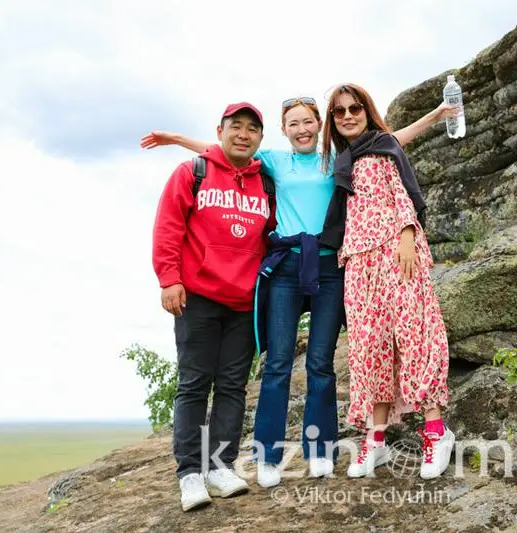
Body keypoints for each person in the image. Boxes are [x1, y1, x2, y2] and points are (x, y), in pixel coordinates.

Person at [142, 98, 456, 487]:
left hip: (329, 267)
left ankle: (320, 451)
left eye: (308, 122)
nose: (302, 129)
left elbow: (392, 140)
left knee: (320, 363)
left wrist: (436, 115)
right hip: (287, 268)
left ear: (319, 124)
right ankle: (268, 456)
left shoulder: (339, 157)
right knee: (277, 363)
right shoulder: (274, 160)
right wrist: (176, 139)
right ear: (284, 129)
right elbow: (223, 150)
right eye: (294, 123)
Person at [318, 83, 453, 480]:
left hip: (397, 250)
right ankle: (375, 441)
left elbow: (401, 191)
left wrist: (408, 236)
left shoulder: (382, 146)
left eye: (355, 108)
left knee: (415, 335)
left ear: (367, 110)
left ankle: (436, 432)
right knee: (369, 347)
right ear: (332, 121)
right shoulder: (341, 160)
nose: (348, 115)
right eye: (339, 111)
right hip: (358, 261)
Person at [152, 102, 275, 511]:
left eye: (252, 129)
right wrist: (169, 278)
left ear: (260, 138)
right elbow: (168, 226)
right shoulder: (193, 172)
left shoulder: (266, 182)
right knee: (193, 384)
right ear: (219, 131)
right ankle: (189, 473)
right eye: (236, 126)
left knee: (232, 386)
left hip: (244, 302)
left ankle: (220, 467)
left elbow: (272, 235)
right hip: (198, 296)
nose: (243, 134)